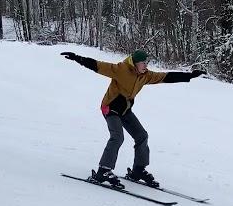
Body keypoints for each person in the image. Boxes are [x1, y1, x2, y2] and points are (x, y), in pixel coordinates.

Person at [61, 49, 205, 187]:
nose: (146, 65)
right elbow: (97, 65)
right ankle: (103, 171)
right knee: (117, 137)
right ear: (135, 63)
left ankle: (138, 170)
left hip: (125, 110)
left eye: (146, 63)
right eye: (143, 63)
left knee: (142, 135)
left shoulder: (145, 75)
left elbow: (166, 77)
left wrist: (190, 75)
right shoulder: (120, 69)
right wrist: (77, 58)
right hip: (110, 107)